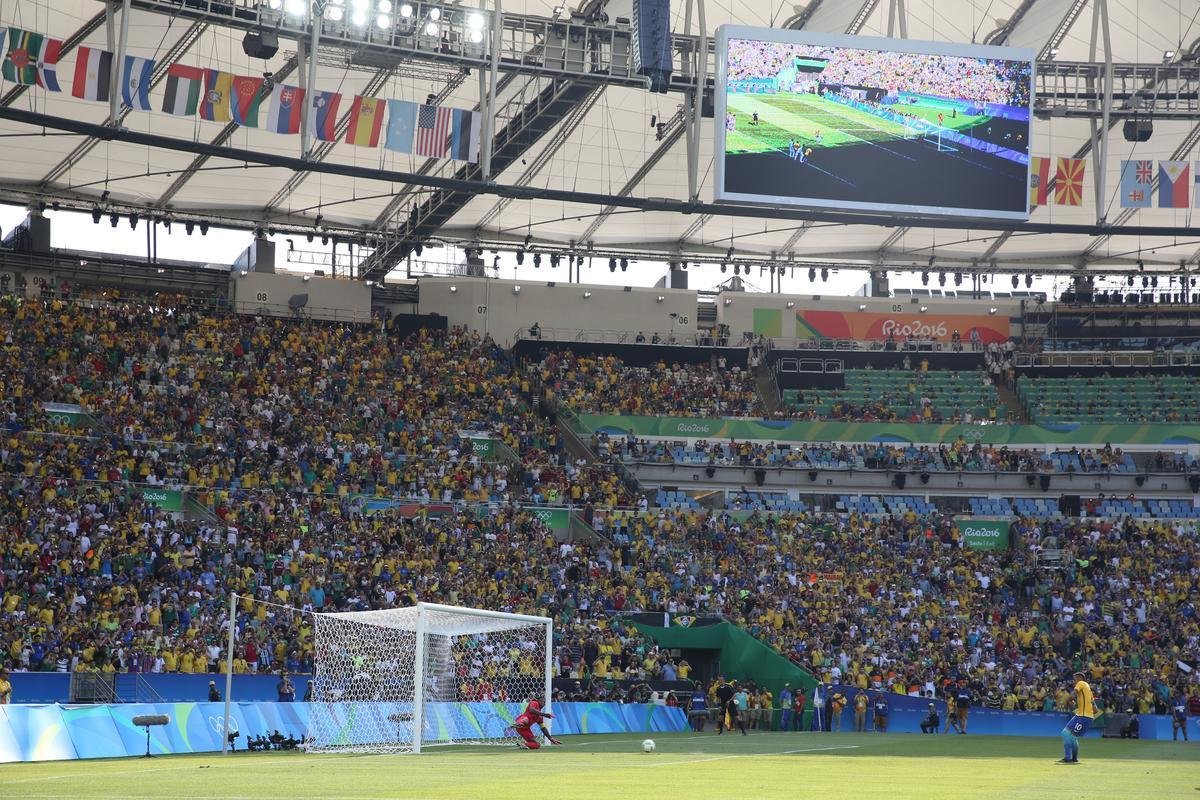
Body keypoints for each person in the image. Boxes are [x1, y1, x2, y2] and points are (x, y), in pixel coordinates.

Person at [1058, 670, 1095, 764]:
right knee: (1069, 735)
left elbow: (1073, 694)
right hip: (1082, 715)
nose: (1074, 682)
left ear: (1080, 678)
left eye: (1074, 679)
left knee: (1068, 735)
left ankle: (1068, 758)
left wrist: (1069, 700)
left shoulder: (1081, 683)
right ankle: (1073, 759)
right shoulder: (1088, 689)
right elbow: (1095, 709)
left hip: (1083, 717)